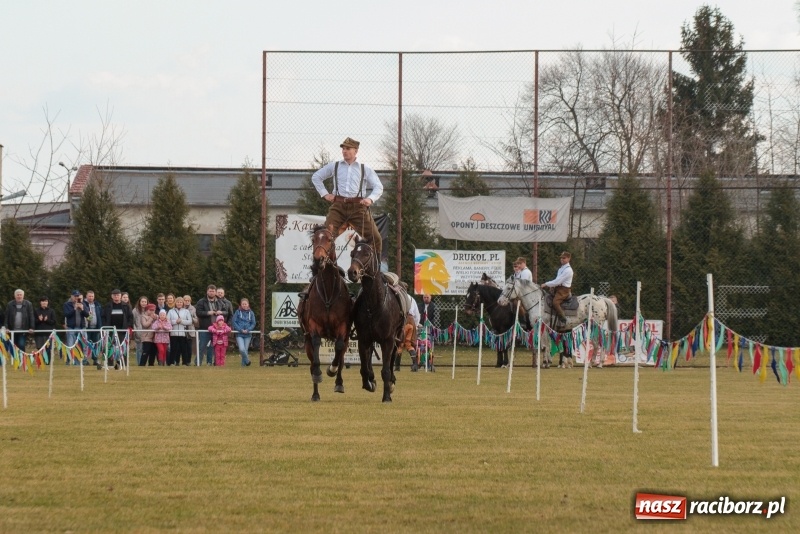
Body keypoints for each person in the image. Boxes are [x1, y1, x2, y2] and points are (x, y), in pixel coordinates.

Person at [311, 137, 384, 256]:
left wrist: (370, 199)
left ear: (356, 151)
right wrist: (325, 194)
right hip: (338, 207)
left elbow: (378, 186)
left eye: (348, 148)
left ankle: (374, 271)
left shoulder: (364, 168)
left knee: (375, 239)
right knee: (325, 236)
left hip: (358, 208)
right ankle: (324, 269)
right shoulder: (335, 166)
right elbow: (316, 177)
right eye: (343, 149)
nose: (344, 151)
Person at [102, 289, 134, 369]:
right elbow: (103, 317)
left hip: (122, 330)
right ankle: (110, 364)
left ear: (120, 296)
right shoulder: (108, 306)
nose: (116, 297)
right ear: (112, 296)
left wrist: (128, 326)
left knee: (123, 347)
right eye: (115, 295)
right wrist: (106, 326)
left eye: (118, 295)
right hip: (110, 330)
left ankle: (123, 364)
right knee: (109, 347)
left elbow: (130, 317)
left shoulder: (126, 306)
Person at [541, 251, 574, 325]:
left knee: (555, 302)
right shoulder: (561, 269)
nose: (562, 259)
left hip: (564, 290)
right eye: (561, 258)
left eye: (564, 258)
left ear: (569, 259)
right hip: (558, 288)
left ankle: (563, 320)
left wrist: (546, 284)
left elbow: (558, 281)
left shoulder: (568, 270)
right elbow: (557, 280)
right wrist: (553, 286)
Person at [196, 285, 224, 365]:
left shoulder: (220, 302)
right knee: (201, 347)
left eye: (213, 291)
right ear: (207, 291)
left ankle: (216, 363)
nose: (211, 293)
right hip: (205, 328)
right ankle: (198, 363)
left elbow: (226, 312)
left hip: (217, 329)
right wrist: (208, 312)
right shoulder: (201, 301)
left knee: (216, 347)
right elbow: (198, 312)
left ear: (215, 292)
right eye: (210, 291)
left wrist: (220, 312)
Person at [167, 296, 193, 366]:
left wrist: (181, 321)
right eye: (178, 302)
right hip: (173, 333)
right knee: (173, 348)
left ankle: (185, 362)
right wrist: (175, 321)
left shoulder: (186, 311)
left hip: (183, 333)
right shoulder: (171, 311)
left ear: (183, 303)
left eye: (181, 302)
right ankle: (172, 362)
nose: (179, 303)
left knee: (184, 349)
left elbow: (190, 321)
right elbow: (168, 321)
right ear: (175, 303)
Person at [232, 298, 256, 367]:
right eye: (243, 304)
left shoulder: (251, 313)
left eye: (245, 304)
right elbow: (234, 322)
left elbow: (253, 323)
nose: (244, 305)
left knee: (245, 350)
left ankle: (243, 365)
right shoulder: (237, 312)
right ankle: (247, 361)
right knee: (242, 349)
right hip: (239, 334)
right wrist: (240, 329)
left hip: (248, 335)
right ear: (241, 305)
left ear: (248, 304)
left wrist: (248, 330)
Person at [83, 290, 103, 356]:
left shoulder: (97, 305)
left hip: (96, 328)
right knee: (86, 344)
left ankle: (95, 358)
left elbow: (100, 315)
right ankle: (85, 359)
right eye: (89, 296)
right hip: (87, 328)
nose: (91, 297)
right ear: (86, 296)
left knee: (96, 344)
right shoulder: (83, 304)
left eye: (92, 296)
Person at [132, 296, 149, 365]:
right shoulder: (135, 310)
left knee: (146, 349)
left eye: (145, 302)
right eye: (142, 302)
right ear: (139, 302)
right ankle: (139, 363)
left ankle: (144, 363)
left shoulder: (148, 311)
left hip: (147, 333)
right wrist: (136, 331)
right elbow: (133, 322)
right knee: (139, 349)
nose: (144, 303)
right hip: (138, 332)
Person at [183, 294, 199, 364]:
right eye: (185, 300)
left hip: (190, 329)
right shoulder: (180, 307)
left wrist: (190, 318)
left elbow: (196, 320)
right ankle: (183, 361)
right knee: (183, 347)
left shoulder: (193, 308)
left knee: (189, 347)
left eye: (188, 300)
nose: (187, 302)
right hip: (182, 329)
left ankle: (188, 361)